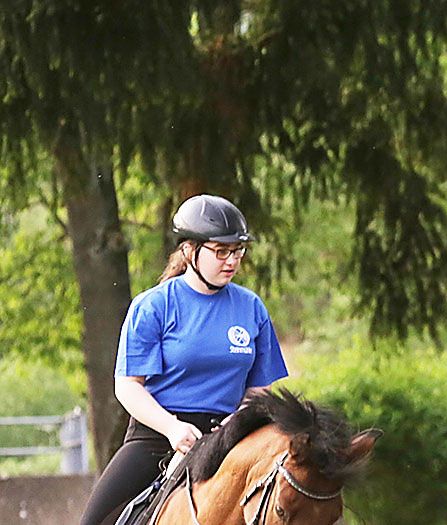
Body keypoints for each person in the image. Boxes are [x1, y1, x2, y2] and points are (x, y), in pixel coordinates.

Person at [80, 194, 290, 525]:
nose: (232, 261)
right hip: (159, 435)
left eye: (237, 251)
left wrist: (240, 420)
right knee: (93, 521)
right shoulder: (153, 306)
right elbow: (128, 386)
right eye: (221, 251)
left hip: (231, 437)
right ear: (190, 251)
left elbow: (259, 387)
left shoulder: (252, 308)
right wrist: (172, 428)